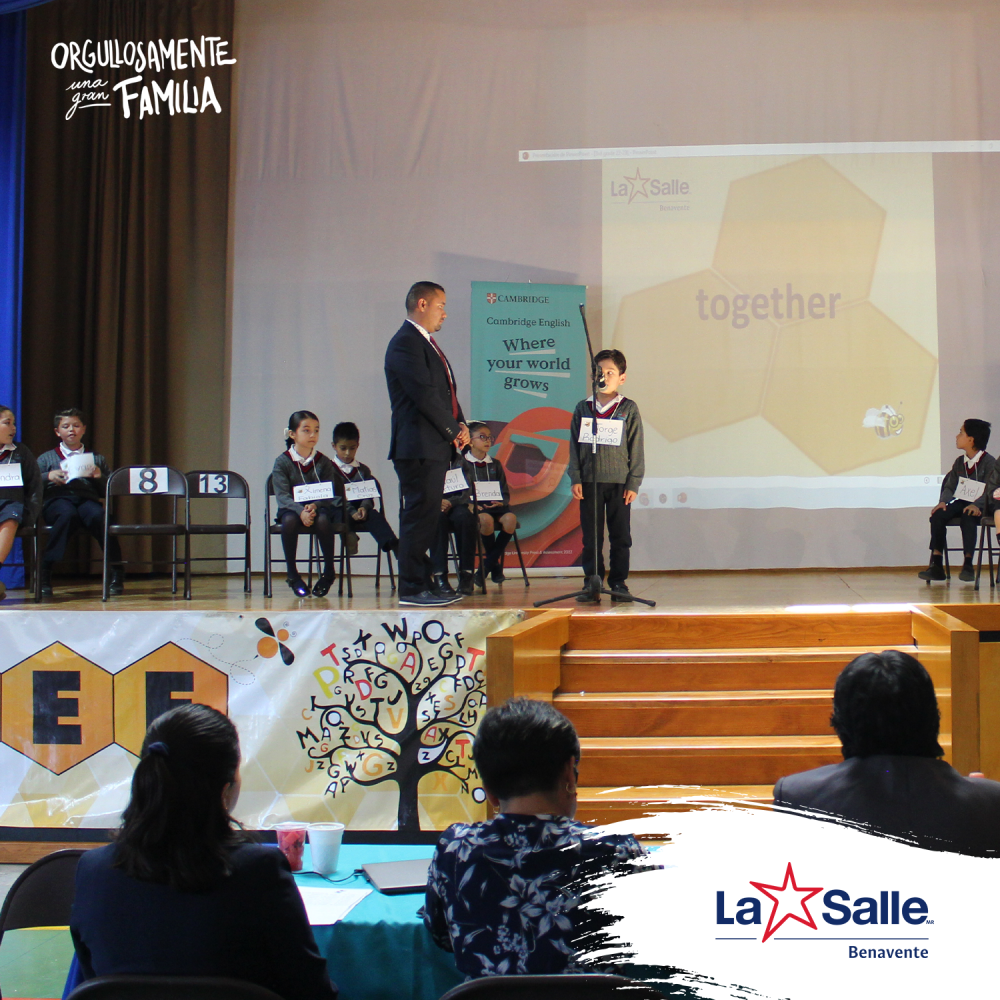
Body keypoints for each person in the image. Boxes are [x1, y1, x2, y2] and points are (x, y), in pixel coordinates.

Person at [69, 703, 338, 999]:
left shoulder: (93, 870)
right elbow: (312, 991)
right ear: (225, 791)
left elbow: (93, 978)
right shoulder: (259, 871)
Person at [423, 698, 647, 978]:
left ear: (489, 791)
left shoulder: (456, 850)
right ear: (569, 773)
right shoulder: (618, 851)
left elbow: (441, 935)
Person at [773, 650, 1000, 856]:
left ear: (841, 722)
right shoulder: (990, 802)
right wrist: (979, 797)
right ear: (933, 717)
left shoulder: (798, 796)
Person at [384, 281, 469, 607]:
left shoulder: (425, 343)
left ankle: (426, 582)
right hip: (417, 446)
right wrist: (452, 430)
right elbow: (424, 395)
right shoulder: (405, 342)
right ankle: (411, 588)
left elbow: (446, 394)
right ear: (422, 304)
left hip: (432, 445)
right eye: (440, 306)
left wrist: (461, 424)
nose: (444, 314)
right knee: (419, 517)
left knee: (429, 517)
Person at [568, 349, 645, 603]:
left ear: (622, 377)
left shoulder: (628, 408)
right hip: (590, 481)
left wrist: (633, 481)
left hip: (619, 483)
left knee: (620, 536)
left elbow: (636, 447)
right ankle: (592, 581)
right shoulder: (584, 407)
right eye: (599, 372)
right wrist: (576, 477)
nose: (604, 377)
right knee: (591, 537)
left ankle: (619, 583)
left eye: (610, 372)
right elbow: (574, 446)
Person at [36, 408, 123, 597]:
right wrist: (48, 476)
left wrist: (99, 477)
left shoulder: (96, 458)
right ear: (57, 431)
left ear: (83, 429)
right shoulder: (46, 458)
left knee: (100, 516)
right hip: (57, 500)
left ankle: (116, 570)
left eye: (76, 426)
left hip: (86, 500)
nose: (71, 430)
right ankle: (45, 571)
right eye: (66, 426)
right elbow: (31, 484)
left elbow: (108, 490)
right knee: (67, 514)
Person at [272, 410, 341, 597]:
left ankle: (329, 572)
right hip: (291, 509)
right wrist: (300, 510)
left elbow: (329, 492)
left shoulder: (324, 462)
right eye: (306, 430)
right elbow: (282, 496)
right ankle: (292, 574)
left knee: (323, 520)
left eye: (316, 430)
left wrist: (315, 506)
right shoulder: (282, 462)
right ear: (292, 434)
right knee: (289, 521)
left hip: (318, 507)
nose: (313, 435)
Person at [918, 419, 994, 583]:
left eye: (961, 433)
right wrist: (943, 502)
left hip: (982, 506)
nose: (957, 436)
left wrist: (977, 505)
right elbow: (950, 486)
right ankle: (937, 563)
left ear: (971, 439)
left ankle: (968, 564)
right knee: (938, 516)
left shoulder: (989, 463)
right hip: (962, 502)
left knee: (968, 516)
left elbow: (991, 490)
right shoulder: (960, 462)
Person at [328, 421, 398, 558]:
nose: (347, 453)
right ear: (334, 446)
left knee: (374, 515)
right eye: (343, 448)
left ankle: (392, 543)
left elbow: (368, 495)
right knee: (339, 515)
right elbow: (333, 498)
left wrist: (364, 507)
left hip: (360, 510)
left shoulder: (363, 470)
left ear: (357, 446)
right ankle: (349, 537)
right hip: (340, 509)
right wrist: (351, 511)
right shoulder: (328, 469)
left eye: (352, 448)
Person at [463, 421, 516, 585]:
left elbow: (504, 490)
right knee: (485, 520)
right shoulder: (462, 463)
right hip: (475, 507)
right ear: (470, 441)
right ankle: (495, 567)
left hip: (495, 505)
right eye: (482, 437)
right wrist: (469, 504)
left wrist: (501, 502)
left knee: (511, 519)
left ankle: (485, 568)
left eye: (489, 437)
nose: (487, 441)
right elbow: (459, 490)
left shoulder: (495, 464)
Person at [0, 406, 41, 601]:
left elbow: (35, 486)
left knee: (11, 514)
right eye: (7, 423)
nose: (13, 428)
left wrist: (31, 514)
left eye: (14, 423)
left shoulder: (21, 452)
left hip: (13, 507)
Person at [430, 451, 476, 596]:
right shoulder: (425, 460)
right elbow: (420, 487)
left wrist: (450, 502)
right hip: (433, 506)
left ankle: (467, 575)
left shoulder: (459, 460)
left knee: (465, 518)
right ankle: (440, 576)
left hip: (456, 503)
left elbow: (467, 489)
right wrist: (437, 501)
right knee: (436, 520)